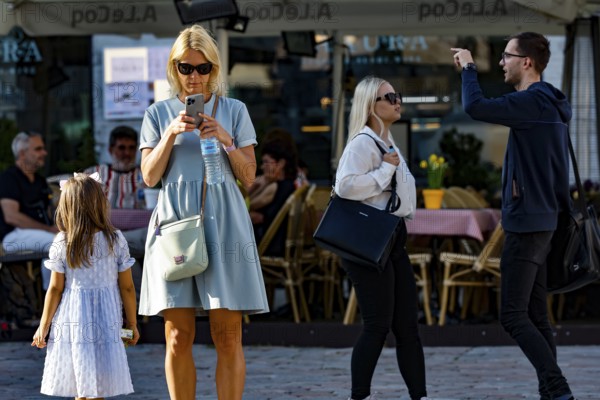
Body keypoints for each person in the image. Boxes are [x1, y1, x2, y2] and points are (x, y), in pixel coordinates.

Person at [137, 24, 269, 400]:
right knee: (177, 336)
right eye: (185, 67)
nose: (194, 76)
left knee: (227, 334)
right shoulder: (158, 113)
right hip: (175, 225)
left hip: (224, 222)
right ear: (173, 68)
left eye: (203, 68)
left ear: (214, 68)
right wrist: (170, 135)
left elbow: (248, 177)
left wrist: (226, 139)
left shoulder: (234, 110)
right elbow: (149, 178)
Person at [452, 32, 575, 400]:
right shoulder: (549, 104)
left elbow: (476, 107)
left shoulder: (534, 102)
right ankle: (551, 393)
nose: (502, 62)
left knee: (512, 315)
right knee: (537, 317)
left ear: (527, 62)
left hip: (528, 222)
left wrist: (470, 69)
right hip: (543, 220)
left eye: (507, 56)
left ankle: (557, 386)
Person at [335, 76, 429, 400]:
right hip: (367, 244)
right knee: (377, 325)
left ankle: (421, 395)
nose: (396, 100)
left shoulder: (387, 143)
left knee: (408, 327)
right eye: (388, 97)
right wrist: (384, 173)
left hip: (392, 241)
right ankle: (359, 395)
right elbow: (345, 186)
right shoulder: (363, 142)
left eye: (396, 95)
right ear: (369, 106)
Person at [31, 173, 139, 399]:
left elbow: (55, 289)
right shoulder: (115, 239)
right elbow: (127, 288)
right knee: (100, 383)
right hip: (108, 320)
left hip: (73, 319)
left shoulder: (63, 241)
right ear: (100, 204)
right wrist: (132, 324)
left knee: (81, 381)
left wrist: (44, 326)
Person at [0, 132, 58, 291]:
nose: (44, 153)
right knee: (56, 243)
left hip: (40, 235)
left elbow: (49, 214)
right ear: (22, 153)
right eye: (38, 149)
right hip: (12, 237)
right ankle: (52, 296)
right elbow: (12, 217)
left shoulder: (40, 181)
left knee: (72, 240)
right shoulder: (8, 178)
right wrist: (49, 230)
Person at [85, 125, 147, 260]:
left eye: (131, 148)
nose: (127, 153)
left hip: (137, 235)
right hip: (103, 234)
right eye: (121, 148)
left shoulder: (146, 175)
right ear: (110, 149)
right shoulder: (93, 173)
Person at [249, 140, 297, 255]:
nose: (262, 166)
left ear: (280, 163)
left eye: (266, 162)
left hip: (269, 246)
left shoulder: (274, 187)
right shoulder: (290, 185)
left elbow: (245, 206)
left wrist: (261, 184)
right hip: (283, 245)